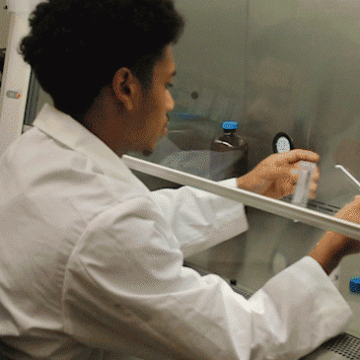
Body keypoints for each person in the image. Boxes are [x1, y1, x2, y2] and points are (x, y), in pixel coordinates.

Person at [0, 1, 359, 359]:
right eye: (167, 84)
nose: (170, 103)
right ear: (125, 87)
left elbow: (141, 221)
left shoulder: (30, 152)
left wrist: (247, 190)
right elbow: (246, 340)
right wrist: (335, 243)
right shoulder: (104, 228)